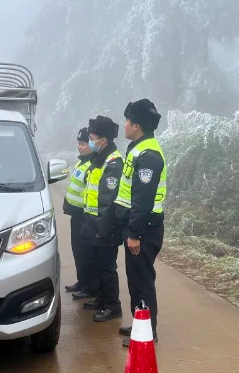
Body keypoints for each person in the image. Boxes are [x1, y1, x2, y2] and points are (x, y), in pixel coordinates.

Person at [115, 99, 166, 347]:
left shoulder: (149, 156)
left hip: (144, 231)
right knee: (135, 279)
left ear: (136, 126)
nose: (123, 125)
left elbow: (143, 200)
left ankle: (147, 333)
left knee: (142, 280)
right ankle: (139, 322)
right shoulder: (137, 148)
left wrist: (134, 233)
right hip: (137, 228)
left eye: (126, 122)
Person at [79, 116, 124, 322]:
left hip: (105, 226)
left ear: (103, 140)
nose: (89, 142)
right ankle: (102, 298)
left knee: (107, 268)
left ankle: (113, 305)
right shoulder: (98, 159)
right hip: (93, 222)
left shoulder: (113, 162)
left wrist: (102, 227)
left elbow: (108, 199)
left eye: (92, 138)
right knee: (97, 264)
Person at [63, 127, 95, 295]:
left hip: (84, 216)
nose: (80, 147)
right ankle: (82, 282)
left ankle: (89, 286)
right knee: (77, 250)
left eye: (83, 143)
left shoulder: (91, 165)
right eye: (79, 143)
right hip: (76, 215)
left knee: (85, 253)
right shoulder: (81, 162)